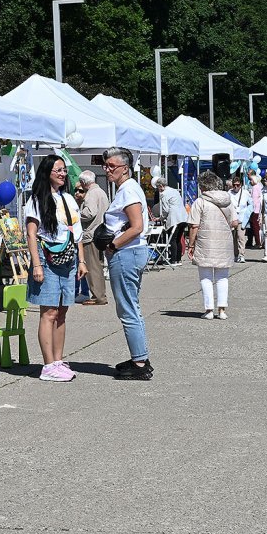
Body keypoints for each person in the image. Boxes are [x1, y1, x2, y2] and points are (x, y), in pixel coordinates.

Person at [23, 155, 84, 382]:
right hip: (47, 260)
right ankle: (48, 365)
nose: (62, 173)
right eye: (57, 170)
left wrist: (82, 261)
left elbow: (76, 232)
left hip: (68, 259)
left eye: (63, 170)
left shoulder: (68, 198)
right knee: (48, 312)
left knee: (62, 312)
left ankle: (58, 361)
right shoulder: (37, 200)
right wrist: (36, 264)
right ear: (47, 172)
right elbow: (31, 233)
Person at [100, 148, 151, 380]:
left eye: (112, 166)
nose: (107, 169)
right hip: (131, 252)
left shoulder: (128, 189)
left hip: (127, 252)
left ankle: (140, 362)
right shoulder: (127, 189)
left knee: (128, 309)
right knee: (130, 306)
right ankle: (138, 357)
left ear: (125, 168)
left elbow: (136, 226)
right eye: (106, 165)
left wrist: (113, 245)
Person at [186, 171, 236, 319]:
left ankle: (209, 310)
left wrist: (191, 245)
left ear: (203, 186)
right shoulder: (228, 200)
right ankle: (222, 310)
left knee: (206, 276)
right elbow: (234, 222)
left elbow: (194, 226)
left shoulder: (200, 202)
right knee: (222, 277)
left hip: (205, 242)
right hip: (224, 241)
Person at [77, 169, 109, 306]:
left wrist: (76, 214)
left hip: (91, 234)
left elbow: (90, 212)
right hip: (100, 233)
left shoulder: (91, 194)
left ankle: (98, 296)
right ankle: (99, 294)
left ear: (84, 182)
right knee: (98, 266)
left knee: (92, 267)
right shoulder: (101, 192)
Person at [151, 176, 186, 261]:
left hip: (174, 218)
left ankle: (173, 260)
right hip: (183, 217)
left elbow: (165, 210)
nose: (158, 190)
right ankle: (178, 259)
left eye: (158, 187)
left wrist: (160, 219)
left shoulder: (164, 194)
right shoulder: (175, 191)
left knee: (172, 239)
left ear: (161, 186)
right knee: (178, 239)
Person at [229, 175, 252, 264]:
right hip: (232, 218)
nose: (236, 187)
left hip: (242, 218)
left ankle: (242, 255)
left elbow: (251, 204)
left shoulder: (245, 193)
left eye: (238, 185)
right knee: (233, 238)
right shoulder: (229, 193)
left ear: (241, 185)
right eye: (234, 185)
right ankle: (235, 254)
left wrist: (247, 213)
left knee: (241, 236)